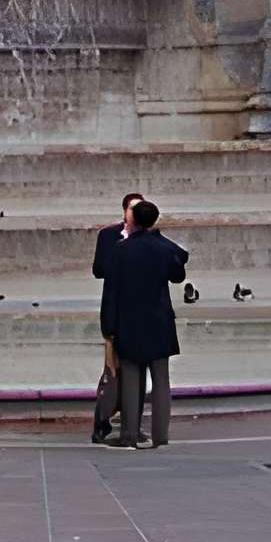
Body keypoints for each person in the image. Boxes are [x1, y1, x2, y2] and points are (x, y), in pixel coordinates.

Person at [100, 196, 187, 450]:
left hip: (129, 322)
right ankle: (161, 436)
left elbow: (111, 291)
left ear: (133, 221)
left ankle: (128, 435)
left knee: (131, 378)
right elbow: (178, 274)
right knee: (161, 381)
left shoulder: (119, 250)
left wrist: (108, 327)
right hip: (160, 322)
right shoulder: (163, 248)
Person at [90, 193, 144, 444]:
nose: (135, 214)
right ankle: (102, 422)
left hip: (138, 313)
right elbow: (98, 270)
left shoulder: (147, 239)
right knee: (112, 371)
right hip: (114, 311)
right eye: (132, 209)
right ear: (124, 211)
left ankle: (131, 424)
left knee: (136, 373)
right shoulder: (108, 236)